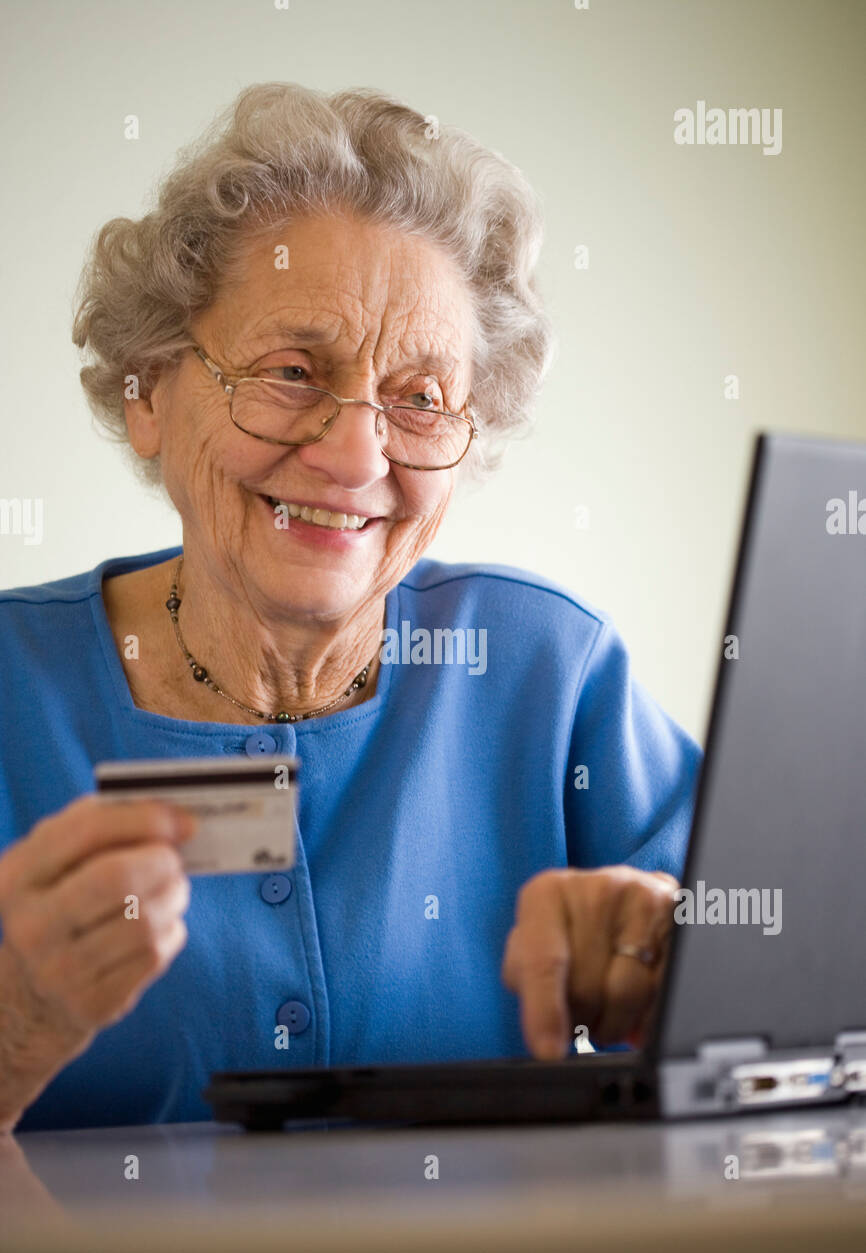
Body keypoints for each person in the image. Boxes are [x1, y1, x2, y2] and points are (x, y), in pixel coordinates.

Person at [0, 83, 701, 1132]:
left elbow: (803, 996)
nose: (354, 454)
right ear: (147, 391)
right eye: (292, 371)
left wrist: (677, 967)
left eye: (419, 398)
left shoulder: (544, 672)